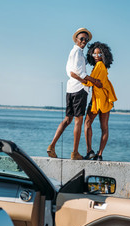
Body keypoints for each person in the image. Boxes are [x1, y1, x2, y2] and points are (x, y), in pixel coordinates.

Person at [47, 28, 102, 160]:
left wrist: (82, 78)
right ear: (76, 39)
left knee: (67, 119)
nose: (84, 41)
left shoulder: (73, 52)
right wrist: (92, 81)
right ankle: (75, 152)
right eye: (81, 38)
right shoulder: (77, 52)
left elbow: (70, 72)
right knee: (78, 121)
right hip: (78, 90)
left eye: (86, 39)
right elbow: (77, 72)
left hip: (70, 89)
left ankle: (52, 146)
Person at [83, 42, 117, 161]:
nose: (96, 55)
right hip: (106, 100)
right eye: (94, 53)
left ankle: (90, 151)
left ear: (104, 55)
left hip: (98, 100)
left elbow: (97, 83)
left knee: (87, 123)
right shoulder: (99, 66)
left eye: (99, 53)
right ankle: (99, 154)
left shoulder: (100, 66)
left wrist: (84, 76)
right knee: (104, 128)